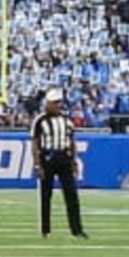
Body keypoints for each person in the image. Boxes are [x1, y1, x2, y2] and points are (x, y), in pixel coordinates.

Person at [31, 91, 86, 238]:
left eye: (59, 102)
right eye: (55, 103)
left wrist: (74, 160)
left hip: (64, 158)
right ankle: (45, 230)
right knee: (45, 196)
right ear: (48, 104)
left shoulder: (67, 120)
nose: (58, 105)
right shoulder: (40, 120)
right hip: (47, 158)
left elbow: (72, 141)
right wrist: (38, 165)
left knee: (71, 195)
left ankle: (77, 229)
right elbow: (35, 143)